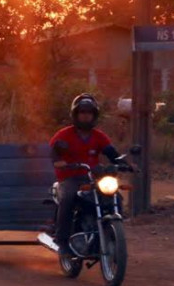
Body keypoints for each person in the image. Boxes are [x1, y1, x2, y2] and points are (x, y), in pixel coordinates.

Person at [48, 94, 124, 253]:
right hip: (70, 178)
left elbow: (112, 153)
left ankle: (113, 234)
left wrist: (125, 164)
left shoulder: (99, 136)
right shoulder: (64, 135)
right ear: (75, 114)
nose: (85, 115)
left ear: (94, 115)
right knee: (68, 197)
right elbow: (54, 152)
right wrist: (58, 161)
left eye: (89, 112)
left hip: (94, 178)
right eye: (82, 112)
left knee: (115, 196)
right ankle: (61, 240)